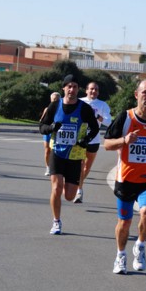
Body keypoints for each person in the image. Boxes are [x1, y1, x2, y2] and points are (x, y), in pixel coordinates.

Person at [104, 79, 146, 274]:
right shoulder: (125, 118)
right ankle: (120, 255)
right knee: (124, 222)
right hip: (125, 179)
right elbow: (107, 144)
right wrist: (125, 140)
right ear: (137, 95)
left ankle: (140, 245)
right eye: (145, 93)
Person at [39, 75, 99, 235]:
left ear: (78, 89)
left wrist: (85, 140)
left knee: (69, 195)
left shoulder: (84, 108)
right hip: (57, 153)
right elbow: (41, 126)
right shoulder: (54, 106)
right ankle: (56, 221)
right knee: (56, 188)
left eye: (75, 86)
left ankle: (68, 194)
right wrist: (51, 127)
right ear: (63, 88)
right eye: (69, 86)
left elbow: (94, 128)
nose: (72, 89)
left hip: (75, 155)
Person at [73, 81, 111, 204]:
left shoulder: (102, 105)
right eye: (91, 89)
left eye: (96, 89)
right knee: (79, 165)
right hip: (79, 138)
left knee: (87, 167)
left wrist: (99, 117)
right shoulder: (79, 101)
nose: (93, 91)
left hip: (94, 139)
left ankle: (77, 185)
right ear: (86, 90)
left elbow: (109, 122)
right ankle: (79, 189)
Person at [41, 92, 61, 176]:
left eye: (57, 99)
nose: (55, 101)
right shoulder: (47, 109)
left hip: (58, 132)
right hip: (48, 131)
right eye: (53, 99)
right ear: (50, 100)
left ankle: (57, 167)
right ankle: (48, 167)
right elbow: (42, 121)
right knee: (47, 150)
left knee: (56, 150)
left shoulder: (62, 108)